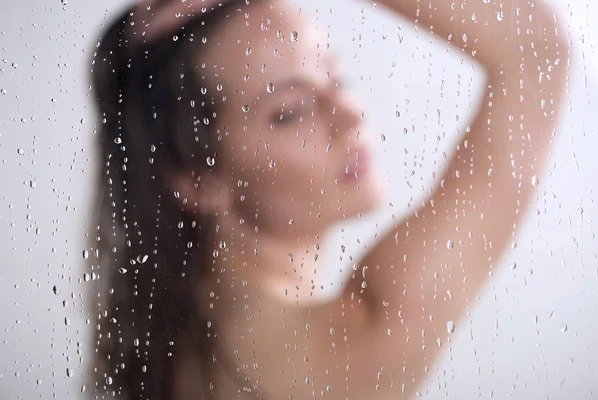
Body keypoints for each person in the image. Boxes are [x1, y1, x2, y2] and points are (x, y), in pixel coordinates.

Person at [88, 0, 569, 398]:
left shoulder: (174, 339)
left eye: (335, 79)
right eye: (290, 111)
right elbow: (535, 47)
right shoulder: (335, 348)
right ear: (199, 181)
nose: (348, 114)